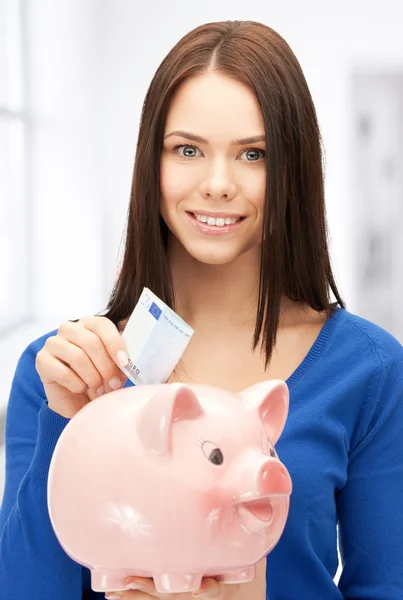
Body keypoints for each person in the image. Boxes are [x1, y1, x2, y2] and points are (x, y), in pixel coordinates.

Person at [1, 19, 402, 600]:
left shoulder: (369, 372)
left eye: (253, 154)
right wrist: (64, 422)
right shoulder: (61, 372)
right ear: (150, 162)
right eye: (187, 149)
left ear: (294, 171)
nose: (217, 183)